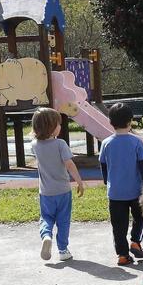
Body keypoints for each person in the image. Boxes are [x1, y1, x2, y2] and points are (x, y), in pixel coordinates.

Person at [99, 104, 143, 266]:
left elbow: (103, 165)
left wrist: (106, 180)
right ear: (130, 121)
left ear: (110, 122)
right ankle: (135, 241)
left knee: (118, 226)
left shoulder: (106, 143)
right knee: (141, 217)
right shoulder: (136, 142)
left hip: (115, 193)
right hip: (136, 191)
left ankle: (122, 255)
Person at [32, 108, 85, 262]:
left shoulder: (35, 145)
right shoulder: (60, 144)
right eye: (58, 124)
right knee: (63, 221)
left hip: (45, 192)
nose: (60, 126)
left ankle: (46, 236)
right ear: (51, 127)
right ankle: (63, 250)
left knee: (46, 217)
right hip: (63, 191)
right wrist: (79, 181)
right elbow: (69, 165)